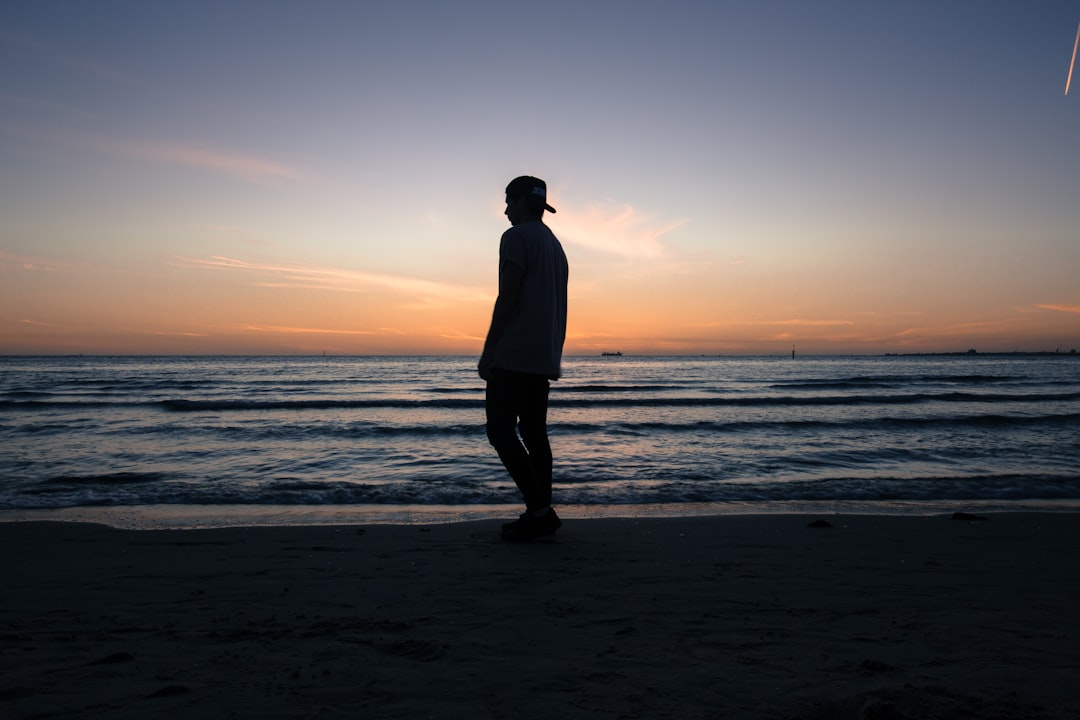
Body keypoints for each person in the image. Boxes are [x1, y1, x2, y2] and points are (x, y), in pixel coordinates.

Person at [479, 176, 569, 541]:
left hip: (514, 353)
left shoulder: (515, 238)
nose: (504, 210)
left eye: (508, 202)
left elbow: (508, 295)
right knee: (534, 433)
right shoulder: (555, 245)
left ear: (519, 202)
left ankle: (539, 510)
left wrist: (489, 349)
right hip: (543, 353)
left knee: (500, 431)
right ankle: (541, 512)